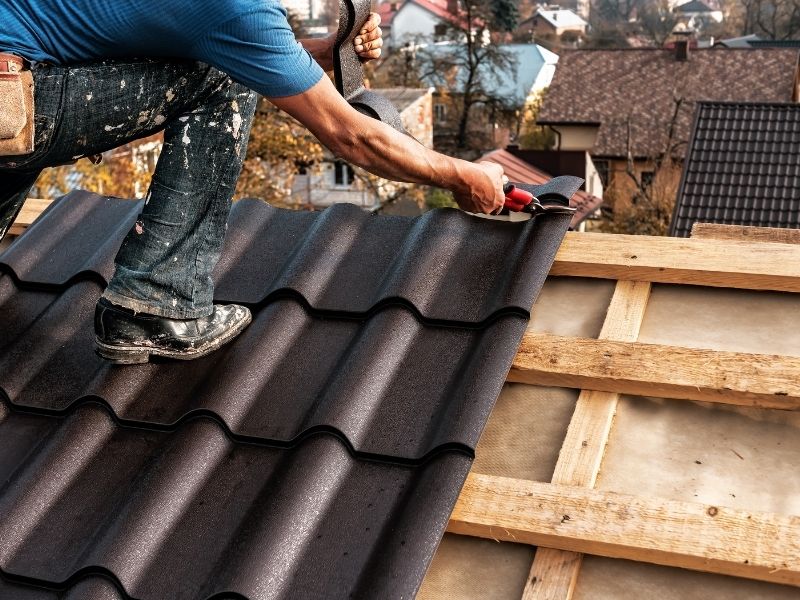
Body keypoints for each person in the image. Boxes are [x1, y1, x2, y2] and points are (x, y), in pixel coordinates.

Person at [0, 0, 507, 364]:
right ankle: (157, 302)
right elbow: (352, 137)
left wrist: (324, 51)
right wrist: (465, 175)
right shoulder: (237, 10)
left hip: (13, 80)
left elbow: (161, 36)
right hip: (10, 104)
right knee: (226, 77)